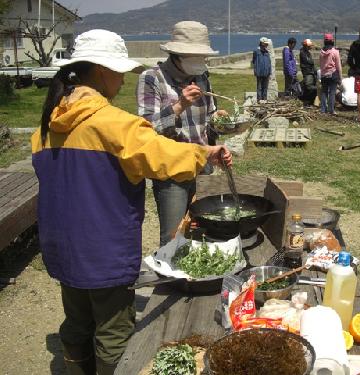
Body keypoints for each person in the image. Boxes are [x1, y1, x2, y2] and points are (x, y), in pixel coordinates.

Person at [32, 29, 232, 375]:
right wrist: (206, 153)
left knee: (77, 324)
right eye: (119, 72)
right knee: (114, 334)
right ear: (101, 71)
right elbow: (160, 154)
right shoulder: (111, 123)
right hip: (102, 249)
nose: (123, 81)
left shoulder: (46, 125)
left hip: (61, 245)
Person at [137, 21, 229, 247]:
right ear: (177, 55)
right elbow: (146, 128)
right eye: (196, 57)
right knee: (174, 237)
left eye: (203, 57)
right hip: (172, 171)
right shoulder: (152, 78)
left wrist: (221, 120)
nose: (202, 62)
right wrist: (179, 106)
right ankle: (172, 280)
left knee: (203, 228)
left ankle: (197, 280)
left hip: (202, 164)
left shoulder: (201, 77)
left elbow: (209, 119)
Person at [319, 33, 342, 114]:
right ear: (332, 41)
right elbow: (338, 66)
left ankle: (323, 109)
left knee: (324, 92)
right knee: (332, 92)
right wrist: (340, 77)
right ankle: (331, 109)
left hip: (324, 75)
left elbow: (321, 65)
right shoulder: (335, 52)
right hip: (333, 74)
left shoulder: (321, 52)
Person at [252, 37, 272, 101]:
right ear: (262, 43)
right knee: (259, 87)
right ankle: (259, 100)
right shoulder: (256, 52)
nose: (267, 45)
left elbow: (269, 62)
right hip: (259, 73)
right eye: (265, 44)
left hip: (266, 73)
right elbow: (254, 61)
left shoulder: (267, 52)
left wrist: (269, 71)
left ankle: (264, 100)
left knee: (265, 88)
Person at [299, 38, 317, 106]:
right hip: (307, 73)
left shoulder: (307, 53)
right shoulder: (303, 53)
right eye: (309, 46)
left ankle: (309, 101)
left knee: (309, 87)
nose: (310, 47)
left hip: (311, 72)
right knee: (309, 87)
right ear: (305, 46)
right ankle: (306, 101)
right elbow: (309, 62)